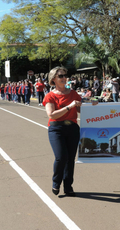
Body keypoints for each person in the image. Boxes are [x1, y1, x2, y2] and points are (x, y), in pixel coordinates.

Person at [43, 66, 83, 196]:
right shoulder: (50, 96)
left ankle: (68, 186)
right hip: (56, 128)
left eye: (65, 75)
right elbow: (52, 115)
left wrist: (90, 104)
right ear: (53, 79)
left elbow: (81, 110)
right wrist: (69, 106)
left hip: (72, 128)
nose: (64, 78)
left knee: (70, 158)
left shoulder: (73, 93)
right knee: (61, 157)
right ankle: (56, 182)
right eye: (60, 76)